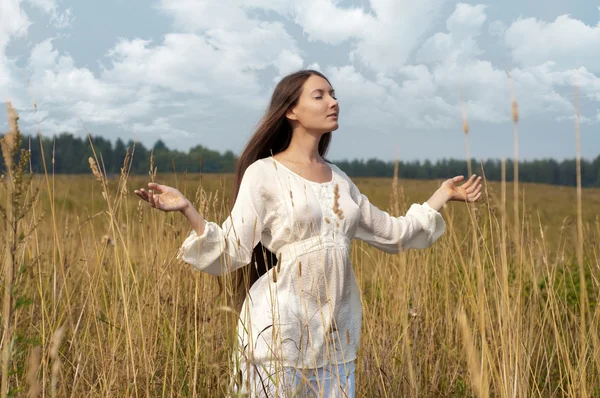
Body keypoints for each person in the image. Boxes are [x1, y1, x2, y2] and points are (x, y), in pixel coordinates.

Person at [134, 69, 482, 397]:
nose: (333, 102)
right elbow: (232, 249)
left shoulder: (341, 180)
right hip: (279, 335)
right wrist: (187, 209)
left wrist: (442, 196)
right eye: (320, 95)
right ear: (292, 111)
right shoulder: (264, 173)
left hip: (336, 338)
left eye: (333, 94)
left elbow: (394, 234)